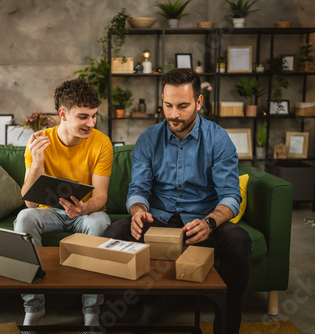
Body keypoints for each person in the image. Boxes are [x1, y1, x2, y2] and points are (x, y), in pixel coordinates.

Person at [103, 68, 251, 334]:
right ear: (162, 99)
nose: (174, 114)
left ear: (198, 102)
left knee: (239, 240)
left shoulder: (218, 139)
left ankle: (226, 327)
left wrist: (210, 222)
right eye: (168, 105)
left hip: (200, 225)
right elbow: (138, 188)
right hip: (156, 221)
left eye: (183, 106)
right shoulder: (148, 139)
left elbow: (230, 195)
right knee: (114, 233)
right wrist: (138, 211)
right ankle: (130, 321)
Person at [13, 79, 113, 327]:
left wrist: (83, 208)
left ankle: (92, 312)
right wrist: (37, 163)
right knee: (24, 219)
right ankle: (34, 307)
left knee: (101, 222)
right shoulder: (39, 142)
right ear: (62, 114)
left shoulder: (102, 143)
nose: (90, 123)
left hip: (85, 214)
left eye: (93, 116)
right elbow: (30, 205)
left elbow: (100, 197)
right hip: (50, 214)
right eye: (83, 117)